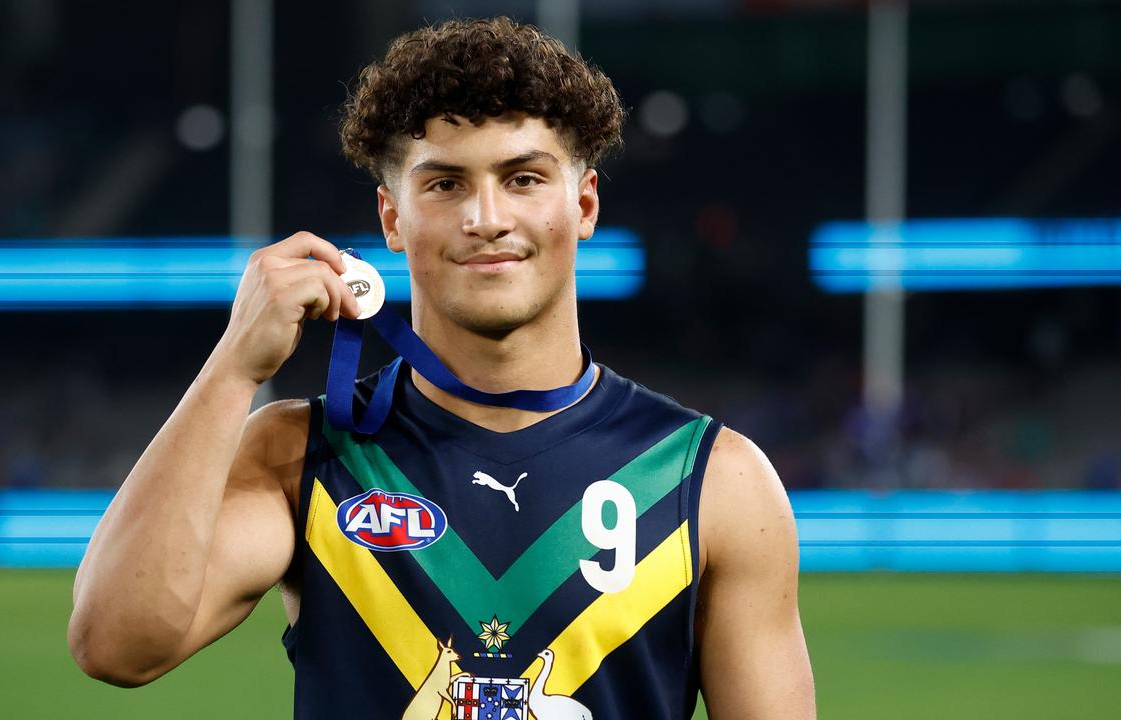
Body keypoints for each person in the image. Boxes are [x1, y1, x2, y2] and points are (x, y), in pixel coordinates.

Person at [69, 16, 815, 719]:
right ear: (393, 218)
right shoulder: (304, 453)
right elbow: (117, 644)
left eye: (523, 179)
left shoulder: (713, 479)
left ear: (583, 204)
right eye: (444, 183)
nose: (485, 218)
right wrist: (233, 365)